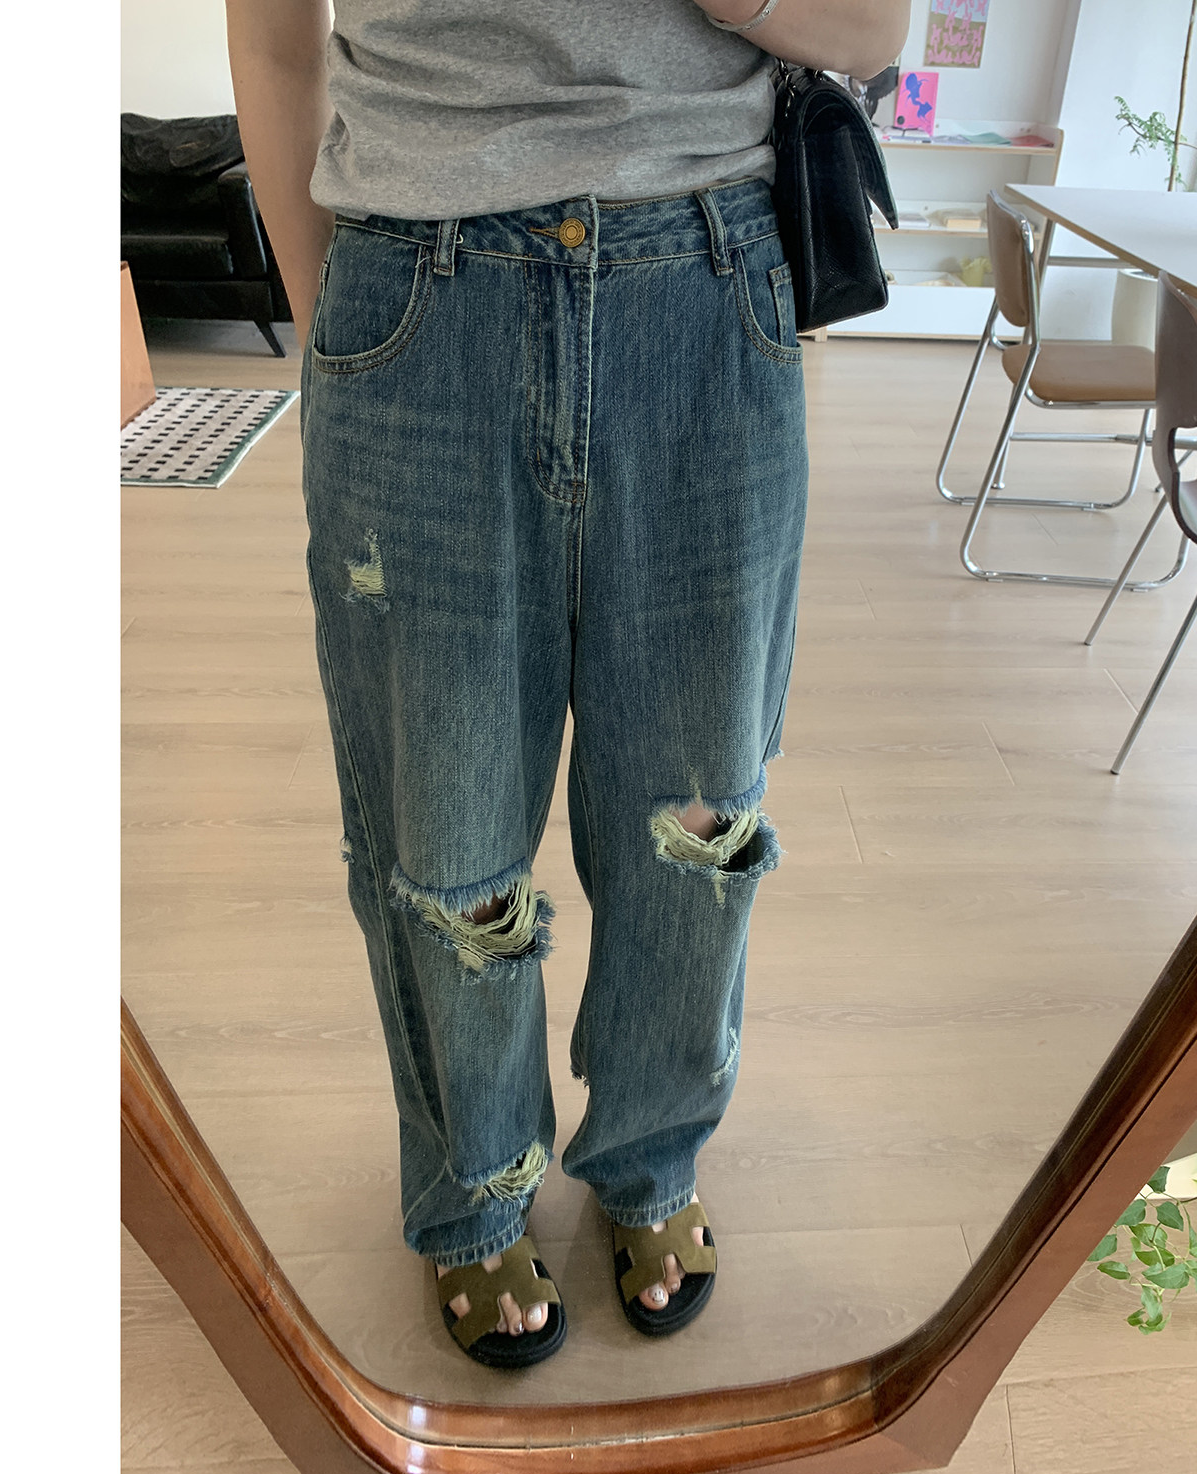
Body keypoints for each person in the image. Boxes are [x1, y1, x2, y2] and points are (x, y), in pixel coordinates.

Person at [225, 0, 911, 1368]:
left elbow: (873, 24)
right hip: (419, 296)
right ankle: (474, 1190)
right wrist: (327, 331)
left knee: (696, 829)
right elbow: (277, 36)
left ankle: (653, 1155)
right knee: (445, 841)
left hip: (708, 286)